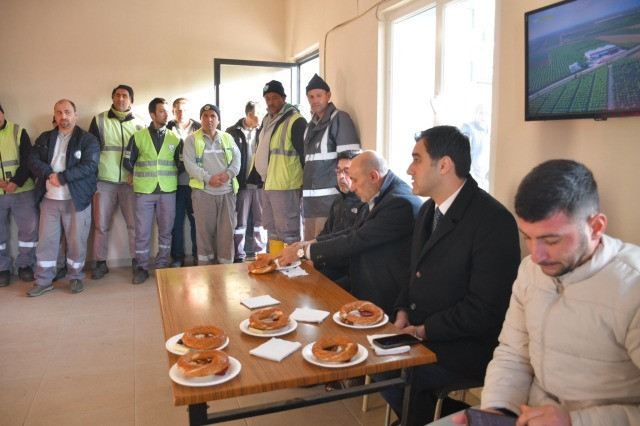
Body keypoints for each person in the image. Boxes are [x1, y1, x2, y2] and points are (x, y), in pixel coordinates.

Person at [453, 160, 640, 426]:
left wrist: (577, 421)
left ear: (596, 227)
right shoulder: (530, 271)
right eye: (528, 237)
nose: (536, 256)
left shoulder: (632, 287)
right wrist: (498, 410)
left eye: (551, 240)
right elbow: (513, 353)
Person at [379, 125, 521, 424]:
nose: (408, 169)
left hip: (465, 345)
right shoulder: (428, 210)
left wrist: (424, 331)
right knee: (379, 365)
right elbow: (411, 272)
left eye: (417, 159)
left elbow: (485, 309)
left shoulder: (493, 221)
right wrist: (403, 310)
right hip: (421, 332)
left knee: (394, 377)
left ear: (444, 165)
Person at [275, 150, 422, 315]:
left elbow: (356, 239)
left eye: (354, 179)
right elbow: (353, 231)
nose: (352, 187)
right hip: (362, 280)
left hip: (385, 295)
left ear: (373, 176)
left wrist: (303, 252)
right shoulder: (379, 191)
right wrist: (309, 243)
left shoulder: (399, 202)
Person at [27, 99, 100, 296]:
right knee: (46, 242)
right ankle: (43, 280)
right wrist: (48, 173)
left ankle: (75, 277)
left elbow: (90, 165)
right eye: (59, 112)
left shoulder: (88, 140)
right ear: (55, 115)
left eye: (67, 112)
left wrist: (62, 177)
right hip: (49, 200)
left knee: (76, 241)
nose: (63, 116)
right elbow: (32, 159)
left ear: (75, 114)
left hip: (76, 200)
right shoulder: (45, 137)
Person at [88, 84, 145, 279]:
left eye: (125, 96)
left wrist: (136, 173)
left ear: (131, 100)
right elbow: (91, 152)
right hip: (104, 182)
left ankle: (138, 262)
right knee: (101, 225)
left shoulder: (140, 123)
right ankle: (100, 263)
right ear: (112, 98)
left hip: (130, 183)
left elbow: (144, 154)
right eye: (118, 95)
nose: (121, 99)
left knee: (134, 225)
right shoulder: (99, 120)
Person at [125, 98, 181, 284]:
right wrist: (136, 175)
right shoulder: (139, 136)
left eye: (166, 111)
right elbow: (127, 161)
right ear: (152, 114)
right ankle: (141, 268)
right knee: (142, 232)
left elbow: (180, 164)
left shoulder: (175, 138)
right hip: (144, 192)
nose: (166, 115)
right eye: (162, 111)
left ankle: (162, 266)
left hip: (167, 191)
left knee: (166, 231)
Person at [302, 74, 360, 240]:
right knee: (309, 253)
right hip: (310, 206)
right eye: (311, 97)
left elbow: (352, 163)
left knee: (323, 253)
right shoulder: (309, 127)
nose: (315, 100)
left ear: (328, 95)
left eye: (319, 95)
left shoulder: (340, 119)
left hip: (330, 204)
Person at [183, 104, 240, 264]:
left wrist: (228, 175)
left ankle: (226, 269)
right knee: (204, 234)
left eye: (213, 116)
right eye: (205, 116)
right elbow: (190, 165)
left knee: (227, 233)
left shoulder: (227, 138)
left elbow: (237, 159)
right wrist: (209, 178)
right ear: (200, 119)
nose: (209, 119)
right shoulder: (192, 140)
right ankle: (205, 269)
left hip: (227, 193)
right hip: (203, 194)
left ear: (218, 119)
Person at [253, 80, 307, 246]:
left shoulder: (296, 120)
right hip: (268, 184)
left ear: (284, 98)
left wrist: (304, 188)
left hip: (286, 186)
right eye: (267, 98)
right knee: (272, 230)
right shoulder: (267, 120)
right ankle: (276, 266)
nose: (271, 102)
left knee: (288, 232)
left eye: (275, 97)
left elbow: (305, 155)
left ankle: (290, 268)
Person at [0, 103, 38, 286]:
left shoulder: (18, 131)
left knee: (29, 230)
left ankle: (25, 265)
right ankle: (2, 269)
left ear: (2, 113)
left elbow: (28, 160)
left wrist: (15, 182)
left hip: (22, 191)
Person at [314, 149, 364, 288]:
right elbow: (326, 233)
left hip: (350, 274)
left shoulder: (365, 203)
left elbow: (353, 244)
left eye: (347, 172)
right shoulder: (338, 200)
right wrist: (310, 255)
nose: (341, 177)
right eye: (339, 171)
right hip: (329, 265)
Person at [225, 101, 266, 263]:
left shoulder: (264, 131)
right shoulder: (232, 132)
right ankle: (238, 255)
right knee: (240, 223)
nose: (263, 117)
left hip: (261, 184)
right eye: (259, 114)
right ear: (249, 115)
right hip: (241, 185)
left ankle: (260, 254)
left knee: (260, 223)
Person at [167, 97, 201, 267]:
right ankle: (177, 257)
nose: (181, 113)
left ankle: (198, 255)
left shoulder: (200, 129)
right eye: (178, 109)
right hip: (174, 185)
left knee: (198, 222)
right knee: (176, 222)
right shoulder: (166, 129)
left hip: (196, 184)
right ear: (173, 111)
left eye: (185, 110)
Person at [460, 104, 489, 190]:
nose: (483, 116)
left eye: (486, 113)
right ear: (476, 114)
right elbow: (462, 152)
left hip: (484, 178)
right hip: (472, 176)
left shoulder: (488, 130)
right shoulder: (468, 128)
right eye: (481, 113)